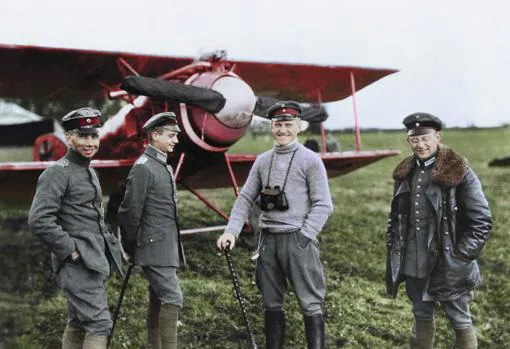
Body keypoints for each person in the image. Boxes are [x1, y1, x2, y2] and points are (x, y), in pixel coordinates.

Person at [217, 101, 333, 349]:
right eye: (278, 124)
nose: (283, 130)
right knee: (271, 303)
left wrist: (304, 236)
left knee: (310, 303)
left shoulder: (311, 160)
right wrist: (231, 231)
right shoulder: (262, 161)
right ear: (272, 127)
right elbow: (245, 198)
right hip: (267, 241)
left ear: (299, 126)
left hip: (297, 241)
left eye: (288, 124)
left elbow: (324, 204)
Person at [385, 112, 492, 349]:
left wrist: (461, 255)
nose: (420, 145)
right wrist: (394, 244)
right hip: (413, 260)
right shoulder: (404, 173)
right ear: (408, 140)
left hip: (449, 263)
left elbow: (481, 220)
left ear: (437, 137)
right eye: (415, 140)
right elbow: (395, 217)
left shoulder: (459, 170)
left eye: (426, 138)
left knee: (459, 319)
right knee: (421, 316)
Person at [29, 107, 123, 349]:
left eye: (94, 136)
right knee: (99, 324)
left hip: (93, 258)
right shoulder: (56, 173)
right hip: (77, 262)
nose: (89, 142)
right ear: (69, 138)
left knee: (79, 321)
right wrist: (71, 250)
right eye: (82, 136)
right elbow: (39, 219)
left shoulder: (88, 170)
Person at [118, 112, 185, 349]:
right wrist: (131, 246)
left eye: (176, 135)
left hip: (164, 245)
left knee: (157, 299)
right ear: (154, 135)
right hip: (153, 246)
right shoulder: (144, 167)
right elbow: (129, 213)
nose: (176, 140)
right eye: (170, 135)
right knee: (173, 297)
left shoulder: (160, 163)